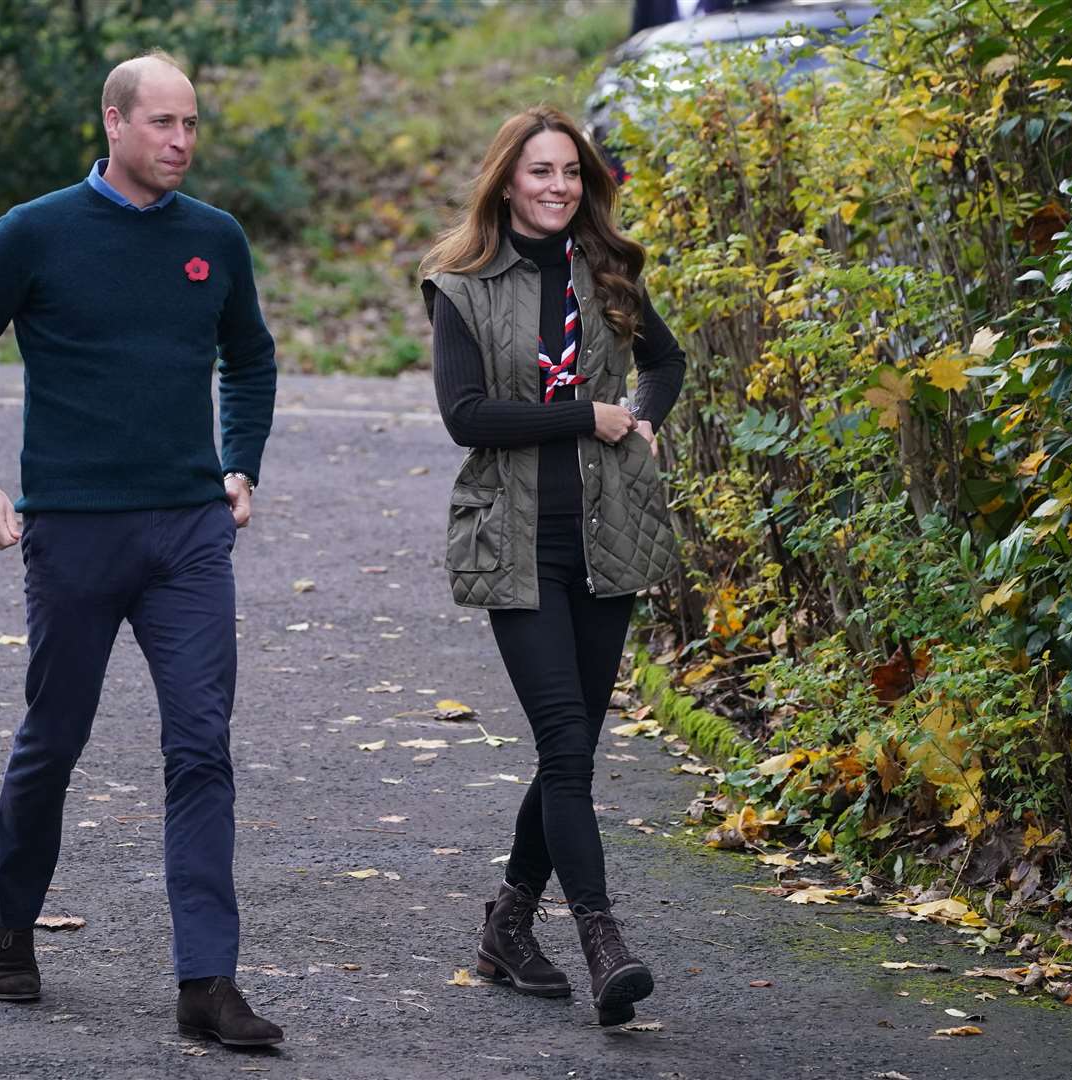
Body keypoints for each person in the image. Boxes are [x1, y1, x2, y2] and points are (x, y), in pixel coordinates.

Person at [0, 50, 283, 1047]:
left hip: (188, 534)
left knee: (201, 747)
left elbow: (251, 360)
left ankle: (207, 982)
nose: (180, 142)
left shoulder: (215, 239)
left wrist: (240, 463)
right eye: (162, 123)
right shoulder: (36, 233)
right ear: (113, 124)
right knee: (54, 742)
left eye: (192, 125)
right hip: (74, 532)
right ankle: (11, 922)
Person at [419, 105, 685, 1027]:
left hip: (605, 538)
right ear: (506, 181)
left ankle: (508, 924)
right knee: (566, 745)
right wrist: (588, 414)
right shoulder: (459, 283)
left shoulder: (605, 268)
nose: (557, 188)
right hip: (515, 542)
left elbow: (667, 362)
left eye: (570, 173)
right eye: (539, 172)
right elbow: (467, 417)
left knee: (570, 751)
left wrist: (642, 414)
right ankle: (603, 938)